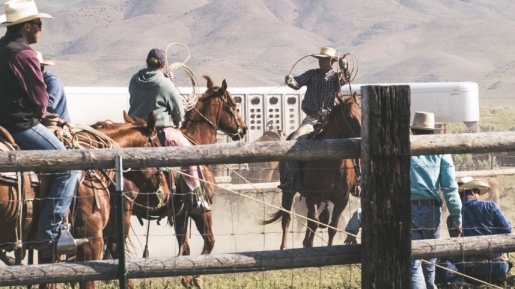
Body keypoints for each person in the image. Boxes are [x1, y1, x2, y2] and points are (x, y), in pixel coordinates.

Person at [0, 0, 79, 257]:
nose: (41, 29)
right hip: (21, 125)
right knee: (68, 166)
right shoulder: (25, 55)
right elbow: (39, 98)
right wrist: (47, 116)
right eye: (38, 24)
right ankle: (49, 233)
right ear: (26, 27)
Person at [128, 48, 208, 212]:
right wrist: (177, 121)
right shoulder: (166, 84)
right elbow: (178, 110)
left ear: (147, 61)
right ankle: (196, 197)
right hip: (160, 130)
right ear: (164, 64)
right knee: (189, 153)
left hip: (135, 130)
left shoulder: (134, 79)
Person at [278, 46, 348, 191]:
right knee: (295, 139)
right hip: (312, 118)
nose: (321, 62)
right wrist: (290, 81)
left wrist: (345, 69)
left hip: (331, 119)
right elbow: (297, 83)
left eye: (324, 60)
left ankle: (356, 179)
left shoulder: (336, 76)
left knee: (350, 141)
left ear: (331, 61)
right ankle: (292, 177)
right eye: (320, 60)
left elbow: (345, 79)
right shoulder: (312, 74)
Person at [410, 111, 463, 289]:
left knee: (413, 262)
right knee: (430, 257)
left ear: (413, 130)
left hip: (408, 208)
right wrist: (457, 218)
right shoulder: (441, 151)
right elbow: (450, 188)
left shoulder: (405, 149)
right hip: (431, 209)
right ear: (432, 131)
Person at [445, 177, 512, 285]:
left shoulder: (451, 218)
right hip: (499, 266)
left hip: (471, 270)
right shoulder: (490, 206)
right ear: (472, 191)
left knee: (445, 258)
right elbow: (508, 231)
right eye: (478, 192)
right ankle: (496, 278)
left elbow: (456, 244)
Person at [36, 51, 71, 122]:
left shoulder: (52, 81)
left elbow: (49, 106)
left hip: (55, 123)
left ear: (41, 67)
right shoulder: (33, 82)